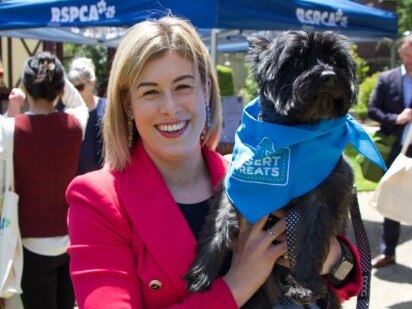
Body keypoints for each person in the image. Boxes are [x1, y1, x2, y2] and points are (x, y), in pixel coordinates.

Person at [66, 16, 362, 309]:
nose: (170, 108)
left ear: (206, 90)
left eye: (183, 86)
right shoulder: (98, 200)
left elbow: (347, 282)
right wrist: (238, 285)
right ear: (128, 104)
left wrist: (334, 260)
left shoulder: (245, 173)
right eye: (150, 92)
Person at [5, 51, 88, 309]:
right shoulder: (75, 124)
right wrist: (60, 83)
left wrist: (14, 106)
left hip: (31, 243)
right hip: (70, 239)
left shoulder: (9, 129)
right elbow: (79, 104)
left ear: (26, 87)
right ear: (60, 89)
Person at [368, 34, 412, 268]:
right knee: (394, 199)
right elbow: (372, 110)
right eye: (411, 49)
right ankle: (389, 251)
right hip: (398, 149)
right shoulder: (388, 79)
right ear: (403, 51)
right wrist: (396, 118)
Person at [67, 57, 107, 175]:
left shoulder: (107, 108)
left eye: (79, 87)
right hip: (74, 179)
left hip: (103, 178)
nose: (76, 92)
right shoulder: (66, 112)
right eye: (72, 88)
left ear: (92, 83)